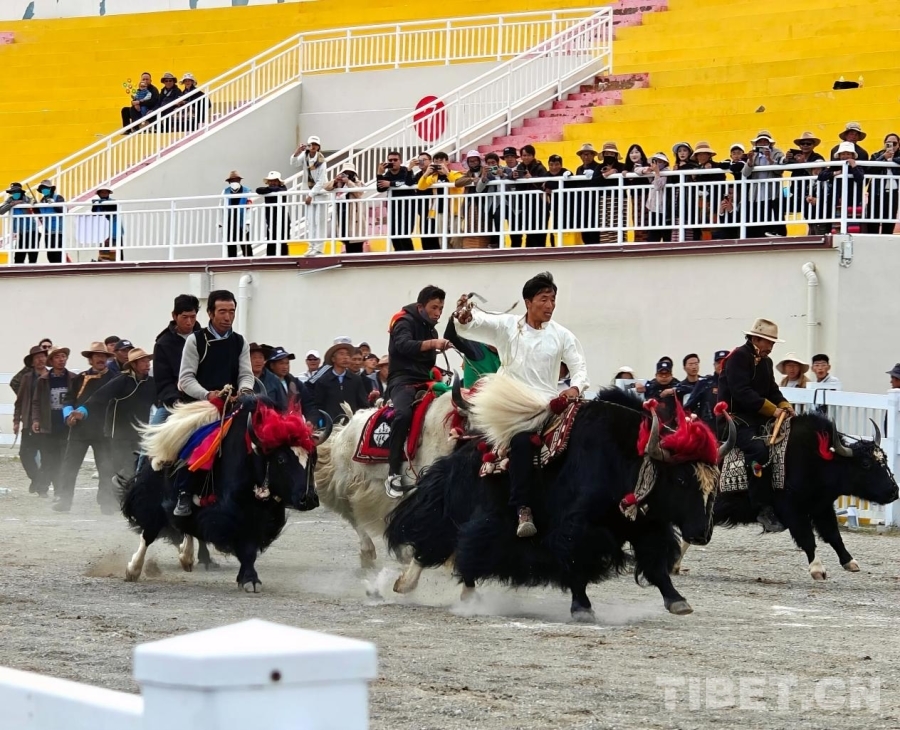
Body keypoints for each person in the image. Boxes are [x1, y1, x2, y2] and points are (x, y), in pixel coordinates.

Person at [453, 272, 588, 537]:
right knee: (522, 443)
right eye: (544, 299)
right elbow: (475, 324)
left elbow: (579, 367)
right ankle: (523, 508)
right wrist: (464, 317)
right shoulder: (507, 326)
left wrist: (575, 387)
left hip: (549, 405)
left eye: (553, 299)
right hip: (512, 408)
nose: (550, 305)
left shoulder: (562, 335)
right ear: (528, 302)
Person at [176, 289, 254, 516]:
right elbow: (185, 379)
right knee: (193, 441)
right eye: (222, 311)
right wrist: (208, 395)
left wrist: (245, 390)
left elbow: (246, 374)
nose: (228, 317)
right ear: (210, 313)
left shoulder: (239, 342)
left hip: (232, 406)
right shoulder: (196, 340)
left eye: (232, 311)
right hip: (201, 406)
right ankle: (184, 491)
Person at [718, 318, 793, 533]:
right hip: (733, 420)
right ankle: (761, 507)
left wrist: (784, 405)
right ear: (756, 339)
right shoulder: (737, 358)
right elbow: (741, 392)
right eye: (769, 342)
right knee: (759, 450)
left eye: (773, 343)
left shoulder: (766, 363)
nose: (772, 347)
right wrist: (772, 410)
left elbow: (772, 390)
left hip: (756, 419)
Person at [384, 285, 448, 498]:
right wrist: (433, 343)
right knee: (403, 415)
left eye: (441, 309)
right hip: (402, 380)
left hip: (425, 381)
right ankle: (393, 473)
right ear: (421, 307)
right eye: (434, 308)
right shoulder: (403, 321)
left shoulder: (431, 329)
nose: (438, 313)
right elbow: (403, 345)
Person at [54, 342, 118, 513]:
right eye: (97, 356)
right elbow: (69, 399)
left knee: (105, 468)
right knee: (69, 466)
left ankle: (106, 503)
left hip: (103, 430)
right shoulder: (80, 378)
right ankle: (64, 500)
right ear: (90, 359)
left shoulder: (115, 378)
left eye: (103, 356)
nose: (100, 359)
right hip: (79, 430)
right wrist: (68, 415)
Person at [83, 348, 156, 484]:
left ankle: (123, 491)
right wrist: (83, 410)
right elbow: (100, 396)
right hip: (118, 434)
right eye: (143, 361)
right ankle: (114, 493)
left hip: (140, 433)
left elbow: (160, 402)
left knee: (138, 468)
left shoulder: (151, 383)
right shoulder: (121, 380)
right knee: (125, 468)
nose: (147, 364)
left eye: (148, 361)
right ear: (133, 364)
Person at [151, 294, 201, 426]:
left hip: (203, 400)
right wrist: (176, 402)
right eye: (184, 317)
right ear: (174, 316)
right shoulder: (163, 344)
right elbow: (163, 381)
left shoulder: (205, 339)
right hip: (174, 403)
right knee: (151, 435)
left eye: (193, 317)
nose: (189, 322)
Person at [32, 346, 75, 498]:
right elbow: (36, 402)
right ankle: (43, 487)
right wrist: (36, 420)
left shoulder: (73, 378)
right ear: (51, 361)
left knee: (64, 459)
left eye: (63, 356)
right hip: (49, 425)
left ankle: (60, 490)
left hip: (67, 426)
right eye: (57, 357)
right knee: (48, 459)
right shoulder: (43, 380)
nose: (61, 360)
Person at [13, 346, 49, 496]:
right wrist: (16, 420)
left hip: (47, 424)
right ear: (32, 362)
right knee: (25, 454)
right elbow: (19, 401)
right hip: (28, 422)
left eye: (43, 357)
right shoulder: (27, 378)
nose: (40, 360)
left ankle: (42, 488)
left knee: (47, 456)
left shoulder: (51, 376)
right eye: (37, 358)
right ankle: (36, 479)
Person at [306, 337, 370, 421]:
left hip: (351, 424)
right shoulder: (323, 380)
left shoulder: (356, 380)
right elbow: (318, 405)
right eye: (341, 354)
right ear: (333, 359)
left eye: (348, 354)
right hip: (331, 424)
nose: (345, 357)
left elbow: (363, 404)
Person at [289, 136, 328, 255]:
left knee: (319, 221)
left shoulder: (321, 160)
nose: (313, 147)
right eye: (311, 144)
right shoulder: (305, 155)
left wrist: (311, 195)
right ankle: (311, 247)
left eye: (316, 145)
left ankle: (319, 248)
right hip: (309, 192)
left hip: (320, 193)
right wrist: (297, 151)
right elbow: (293, 163)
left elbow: (321, 181)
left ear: (319, 147)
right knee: (310, 221)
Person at [443, 315, 501, 388]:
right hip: (475, 394)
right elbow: (451, 336)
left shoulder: (508, 356)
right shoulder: (477, 349)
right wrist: (455, 317)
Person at [259, 346, 316, 417]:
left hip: (294, 421)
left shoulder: (295, 383)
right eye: (281, 363)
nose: (285, 367)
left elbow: (308, 404)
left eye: (287, 363)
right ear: (272, 365)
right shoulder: (265, 383)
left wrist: (311, 419)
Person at [377, 150, 416, 252]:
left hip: (407, 207)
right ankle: (398, 254)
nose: (393, 162)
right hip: (393, 208)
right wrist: (379, 174)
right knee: (394, 233)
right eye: (390, 160)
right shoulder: (388, 174)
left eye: (395, 160)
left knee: (404, 233)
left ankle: (410, 256)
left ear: (400, 161)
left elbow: (408, 182)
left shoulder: (406, 170)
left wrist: (391, 184)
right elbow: (380, 188)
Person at [685, 350, 728, 431]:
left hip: (733, 430)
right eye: (718, 363)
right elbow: (688, 408)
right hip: (709, 431)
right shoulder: (705, 383)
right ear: (714, 365)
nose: (721, 365)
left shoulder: (737, 383)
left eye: (724, 362)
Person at [255, 172, 290, 256]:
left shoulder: (283, 188)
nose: (272, 183)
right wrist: (270, 189)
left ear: (279, 182)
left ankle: (284, 258)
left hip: (283, 219)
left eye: (274, 181)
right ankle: (270, 258)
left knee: (283, 239)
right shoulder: (267, 190)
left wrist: (270, 190)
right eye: (270, 181)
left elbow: (282, 190)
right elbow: (258, 190)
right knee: (271, 239)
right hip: (271, 219)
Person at [3, 183, 38, 264]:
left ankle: (32, 268)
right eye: (13, 192)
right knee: (19, 255)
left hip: (31, 229)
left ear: (21, 192)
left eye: (16, 192)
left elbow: (33, 203)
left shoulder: (27, 198)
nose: (15, 194)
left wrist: (21, 203)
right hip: (20, 231)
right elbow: (1, 211)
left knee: (32, 253)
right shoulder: (10, 200)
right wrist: (11, 204)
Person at [222, 171, 253, 258]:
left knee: (245, 243)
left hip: (242, 221)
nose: (234, 182)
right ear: (229, 182)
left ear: (239, 181)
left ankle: (249, 260)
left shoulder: (247, 191)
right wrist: (221, 223)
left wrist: (247, 222)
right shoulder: (225, 191)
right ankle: (232, 261)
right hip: (230, 221)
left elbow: (249, 208)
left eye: (236, 180)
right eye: (232, 181)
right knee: (231, 243)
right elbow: (221, 207)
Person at [35, 179, 65, 264]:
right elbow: (40, 215)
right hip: (47, 230)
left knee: (57, 252)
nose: (44, 190)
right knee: (50, 253)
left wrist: (54, 204)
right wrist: (35, 207)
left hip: (57, 230)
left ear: (50, 188)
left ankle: (59, 268)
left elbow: (63, 210)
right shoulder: (42, 200)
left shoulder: (58, 197)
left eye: (46, 188)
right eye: (42, 189)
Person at [643, 357, 680, 425]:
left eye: (667, 374)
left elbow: (690, 388)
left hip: (673, 424)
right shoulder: (650, 386)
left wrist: (674, 390)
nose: (664, 377)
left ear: (671, 375)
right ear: (656, 375)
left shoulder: (677, 385)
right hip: (653, 422)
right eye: (661, 374)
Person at [91, 187, 120, 261]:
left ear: (108, 193)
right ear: (99, 194)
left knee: (113, 249)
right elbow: (94, 214)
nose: (104, 194)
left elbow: (111, 212)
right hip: (102, 230)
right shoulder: (97, 203)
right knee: (103, 249)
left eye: (106, 192)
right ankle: (103, 261)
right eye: (102, 192)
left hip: (112, 230)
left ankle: (113, 263)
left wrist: (101, 203)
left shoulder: (113, 202)